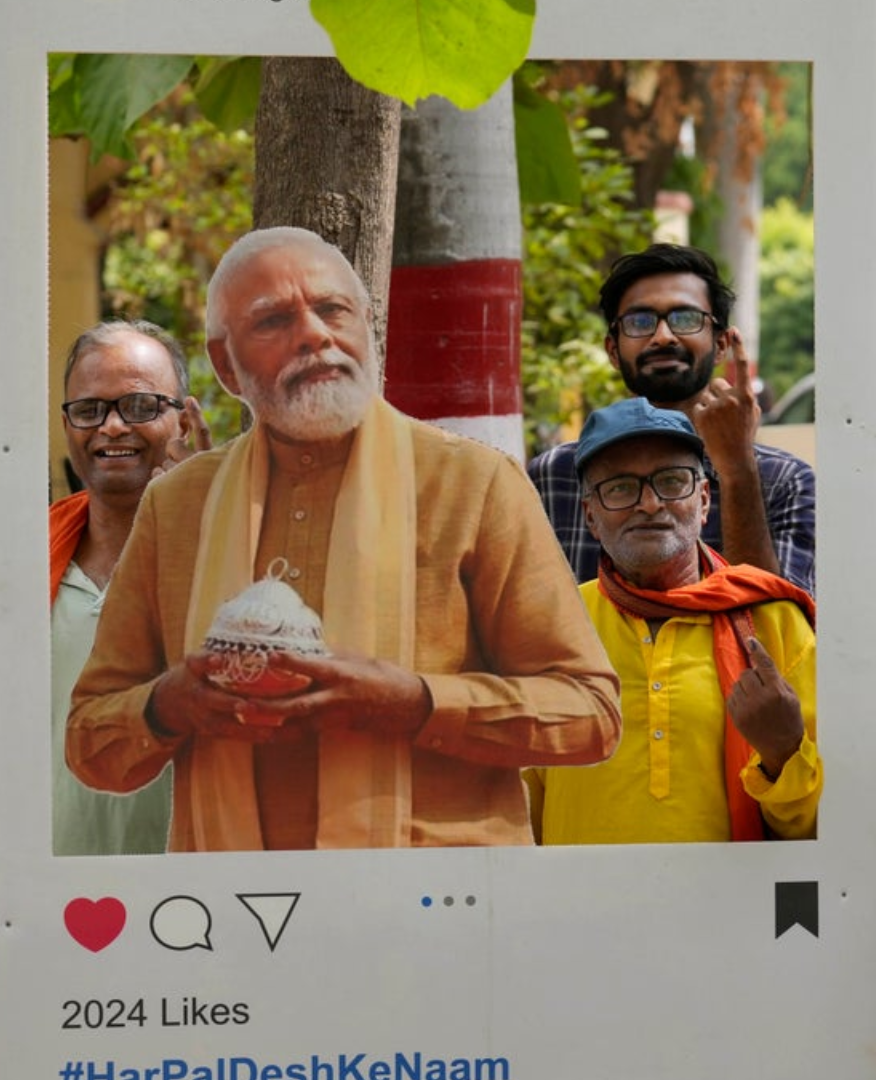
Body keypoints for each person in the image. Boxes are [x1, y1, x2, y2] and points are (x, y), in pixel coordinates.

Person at [66, 226, 622, 850]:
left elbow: (588, 712)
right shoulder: (176, 507)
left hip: (441, 912)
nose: (315, 335)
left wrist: (417, 704)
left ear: (367, 328)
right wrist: (171, 705)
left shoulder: (472, 483)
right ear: (225, 365)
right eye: (274, 320)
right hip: (238, 919)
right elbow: (90, 740)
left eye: (333, 310)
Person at [0, 320, 206, 1072]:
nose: (113, 427)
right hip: (40, 937)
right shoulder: (26, 575)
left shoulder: (227, 568)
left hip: (205, 936)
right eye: (89, 409)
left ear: (185, 418)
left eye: (141, 405)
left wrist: (206, 509)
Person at [528, 398, 818, 843]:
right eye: (621, 488)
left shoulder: (773, 621)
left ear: (703, 501)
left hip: (728, 907)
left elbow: (816, 829)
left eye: (671, 481)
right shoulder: (551, 625)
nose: (649, 503)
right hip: (578, 908)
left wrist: (781, 753)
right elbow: (516, 809)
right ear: (590, 515)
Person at [528, 244, 816, 592]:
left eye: (685, 318)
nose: (663, 336)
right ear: (613, 351)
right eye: (640, 322)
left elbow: (779, 631)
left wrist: (738, 470)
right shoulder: (553, 476)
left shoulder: (785, 481)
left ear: (722, 344)